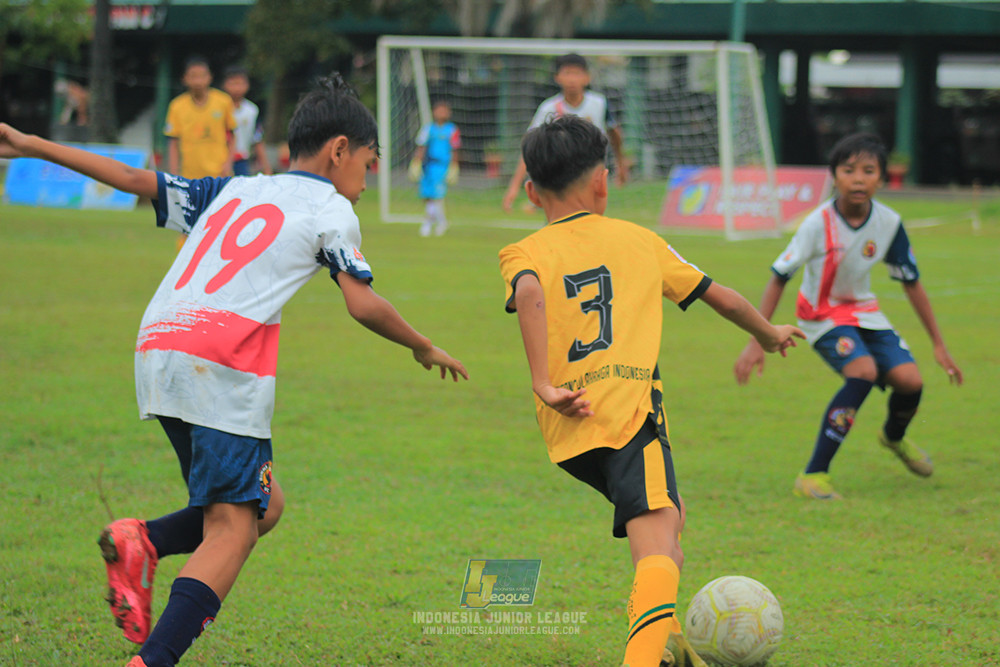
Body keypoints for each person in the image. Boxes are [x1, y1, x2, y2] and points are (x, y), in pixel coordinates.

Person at [0, 73, 469, 667]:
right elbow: (362, 302)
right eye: (370, 161)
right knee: (234, 529)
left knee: (261, 507)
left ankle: (143, 541)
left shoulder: (239, 188)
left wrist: (32, 143)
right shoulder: (330, 208)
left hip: (158, 345)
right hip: (220, 363)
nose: (368, 176)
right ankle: (154, 660)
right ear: (340, 150)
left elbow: (132, 179)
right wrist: (422, 345)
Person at [498, 115, 803, 667]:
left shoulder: (520, 252)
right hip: (629, 417)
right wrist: (769, 332)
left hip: (569, 429)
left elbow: (527, 292)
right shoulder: (640, 241)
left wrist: (544, 383)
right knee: (658, 550)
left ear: (529, 191)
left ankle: (667, 647)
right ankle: (644, 656)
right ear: (603, 182)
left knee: (671, 524)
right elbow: (723, 297)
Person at [733, 132, 963, 500]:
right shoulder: (816, 224)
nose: (858, 178)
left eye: (869, 170)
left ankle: (894, 437)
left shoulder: (889, 223)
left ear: (881, 179)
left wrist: (939, 344)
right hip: (820, 316)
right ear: (834, 176)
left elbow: (912, 283)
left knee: (911, 381)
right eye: (848, 170)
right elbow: (779, 277)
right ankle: (813, 476)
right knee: (864, 373)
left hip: (864, 312)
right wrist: (758, 339)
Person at [502, 53, 629, 213]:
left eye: (576, 73)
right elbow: (531, 147)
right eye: (567, 73)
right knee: (562, 221)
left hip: (592, 175)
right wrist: (514, 187)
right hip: (560, 178)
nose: (572, 79)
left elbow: (614, 133)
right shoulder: (548, 108)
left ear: (587, 77)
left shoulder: (599, 104)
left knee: (592, 221)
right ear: (557, 77)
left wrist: (621, 164)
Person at [164, 57, 236, 179]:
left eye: (202, 76)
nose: (198, 81)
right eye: (193, 76)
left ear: (210, 77)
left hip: (220, 174)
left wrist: (228, 164)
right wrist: (174, 174)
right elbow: (173, 142)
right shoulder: (176, 106)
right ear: (184, 78)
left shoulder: (224, 101)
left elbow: (232, 136)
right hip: (190, 176)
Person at [409, 99, 460, 237]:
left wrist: (454, 166)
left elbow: (455, 149)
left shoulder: (452, 130)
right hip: (428, 166)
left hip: (442, 166)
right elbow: (421, 146)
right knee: (427, 195)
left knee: (437, 195)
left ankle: (429, 222)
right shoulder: (428, 129)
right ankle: (440, 221)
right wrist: (416, 163)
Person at [221, 65, 272, 176]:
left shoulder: (252, 110)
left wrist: (266, 167)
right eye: (233, 83)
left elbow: (257, 139)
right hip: (219, 161)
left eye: (240, 83)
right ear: (225, 85)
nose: (237, 88)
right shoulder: (218, 109)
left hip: (242, 161)